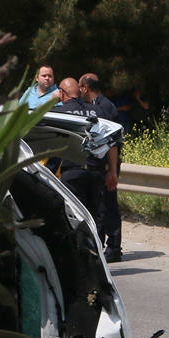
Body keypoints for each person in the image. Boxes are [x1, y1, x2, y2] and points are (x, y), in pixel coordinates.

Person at [56, 74, 118, 226]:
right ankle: (94, 247)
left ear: (62, 93)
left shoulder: (59, 113)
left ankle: (78, 248)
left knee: (74, 218)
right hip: (96, 172)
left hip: (72, 172)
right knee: (93, 218)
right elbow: (111, 143)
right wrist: (112, 171)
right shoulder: (99, 112)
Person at [80, 74, 124, 262]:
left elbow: (109, 139)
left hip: (107, 163)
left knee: (108, 205)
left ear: (85, 88)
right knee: (101, 206)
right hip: (104, 163)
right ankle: (102, 244)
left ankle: (114, 248)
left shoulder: (102, 107)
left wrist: (110, 169)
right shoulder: (103, 104)